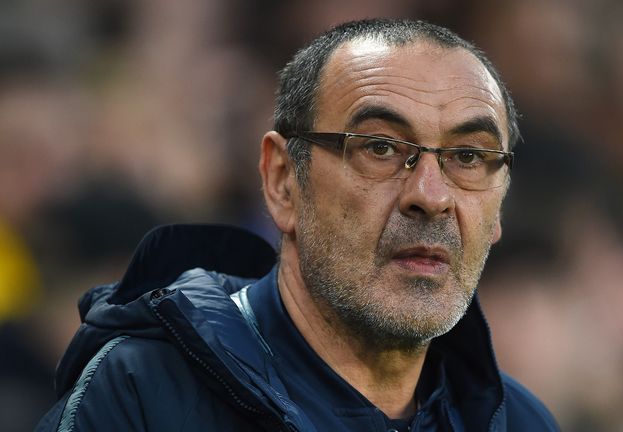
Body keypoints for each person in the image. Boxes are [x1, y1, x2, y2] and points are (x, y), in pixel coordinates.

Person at [36, 19, 559, 431]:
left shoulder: (522, 422)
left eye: (469, 156)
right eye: (379, 147)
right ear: (282, 181)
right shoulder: (142, 395)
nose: (431, 195)